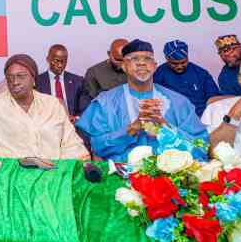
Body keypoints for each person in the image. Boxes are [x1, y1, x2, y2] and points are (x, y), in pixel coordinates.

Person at [77, 39, 208, 162]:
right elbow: (98, 147)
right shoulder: (105, 103)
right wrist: (132, 129)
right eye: (134, 59)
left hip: (172, 177)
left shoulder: (178, 102)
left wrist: (165, 127)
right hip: (121, 177)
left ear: (155, 66)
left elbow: (200, 147)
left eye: (147, 58)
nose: (141, 63)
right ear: (124, 66)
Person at [0, 54, 89, 160]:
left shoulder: (52, 105)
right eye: (9, 77)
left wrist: (58, 168)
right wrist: (9, 169)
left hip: (52, 172)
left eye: (21, 76)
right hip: (11, 174)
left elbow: (71, 143)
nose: (15, 82)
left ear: (34, 79)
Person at [152, 40, 220, 117]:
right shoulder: (159, 74)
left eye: (183, 62)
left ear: (187, 57)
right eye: (174, 63)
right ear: (167, 59)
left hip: (203, 117)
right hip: (174, 118)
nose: (179, 66)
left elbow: (214, 100)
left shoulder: (201, 74)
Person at [35, 43, 86, 119]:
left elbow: (84, 107)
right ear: (48, 59)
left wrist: (76, 118)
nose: (60, 65)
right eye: (57, 61)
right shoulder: (38, 81)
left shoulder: (78, 81)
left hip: (71, 125)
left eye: (63, 61)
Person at [81, 38, 128, 106]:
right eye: (118, 60)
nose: (122, 64)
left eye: (126, 59)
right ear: (109, 54)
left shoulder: (139, 71)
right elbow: (90, 103)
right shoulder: (93, 72)